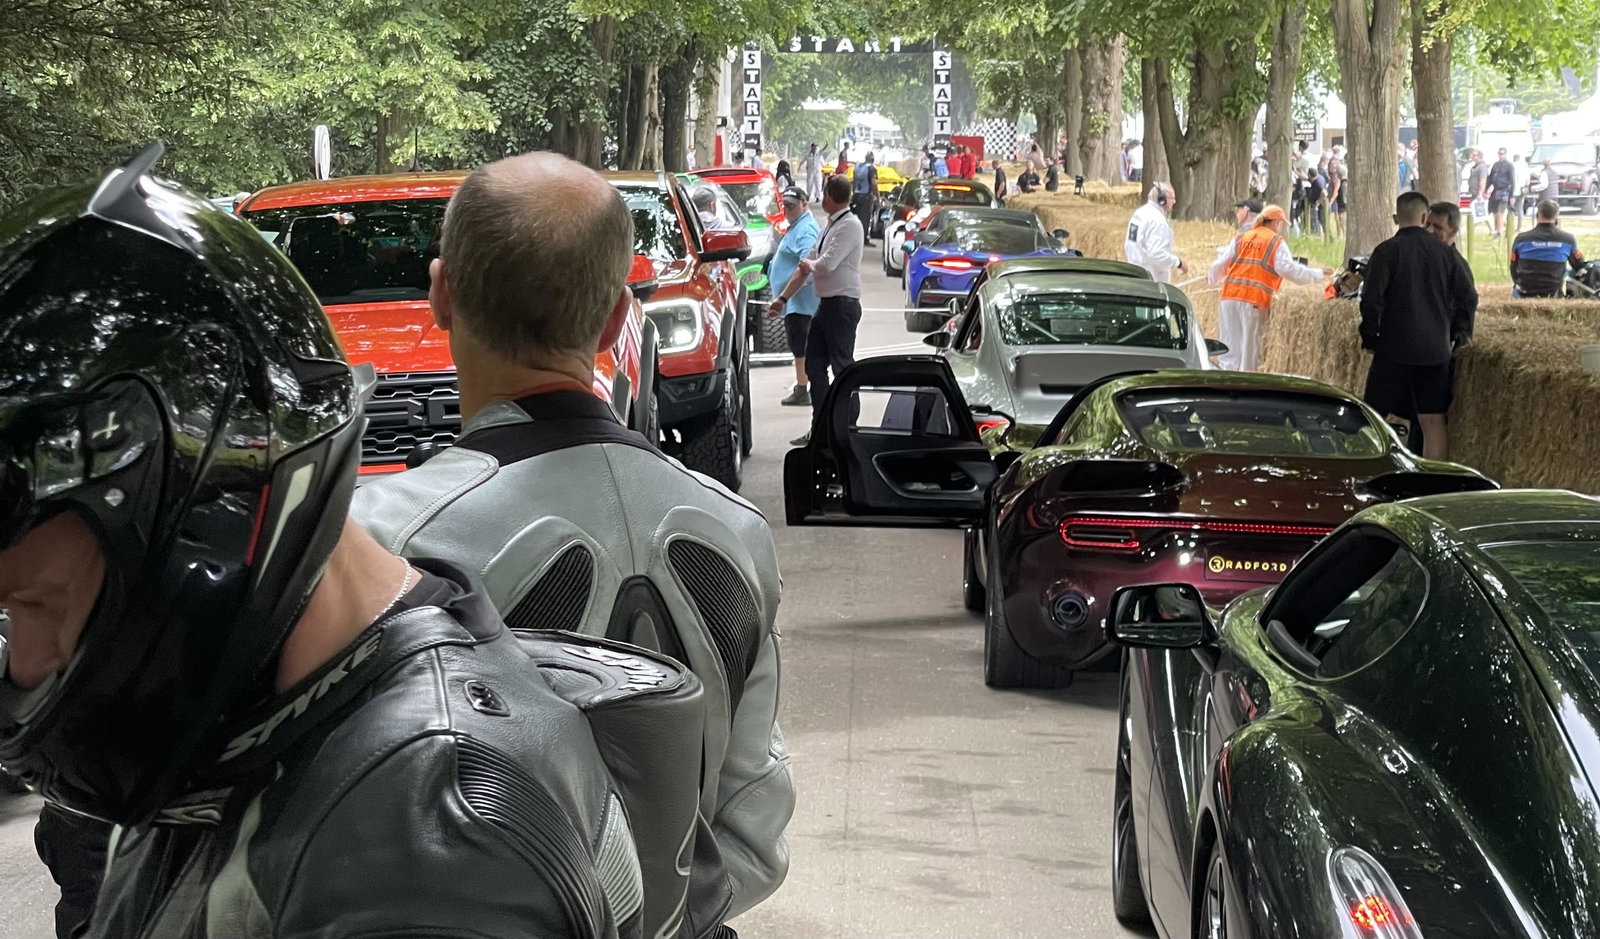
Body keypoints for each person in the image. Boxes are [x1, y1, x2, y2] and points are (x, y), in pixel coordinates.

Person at [1, 148, 693, 939]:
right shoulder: (250, 716)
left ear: (210, 533)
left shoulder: (428, 850)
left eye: (39, 602)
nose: (25, 660)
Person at [354, 152, 795, 929]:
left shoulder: (379, 537)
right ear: (622, 316)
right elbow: (753, 823)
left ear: (441, 294)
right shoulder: (738, 531)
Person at [1359, 190, 1478, 460]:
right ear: (1424, 217)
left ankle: (1370, 469)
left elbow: (1371, 300)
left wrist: (1370, 336)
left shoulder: (1386, 251)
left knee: (1374, 417)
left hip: (1393, 349)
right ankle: (1432, 483)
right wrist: (1460, 335)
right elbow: (1468, 297)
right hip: (1435, 351)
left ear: (1395, 217)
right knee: (1433, 422)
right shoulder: (1447, 255)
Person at [768, 174, 863, 445]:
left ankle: (847, 427)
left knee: (842, 367)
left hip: (842, 305)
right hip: (826, 305)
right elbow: (807, 261)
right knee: (814, 366)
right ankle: (821, 426)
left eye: (825, 193)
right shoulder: (830, 226)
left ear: (831, 197)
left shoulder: (850, 226)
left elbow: (826, 264)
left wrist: (809, 265)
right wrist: (783, 299)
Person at [1208, 205, 1332, 371]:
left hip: (1229, 298)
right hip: (1254, 301)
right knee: (1249, 353)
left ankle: (1225, 387)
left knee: (1229, 350)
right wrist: (1318, 273)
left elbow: (1221, 263)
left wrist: (1211, 278)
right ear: (1276, 223)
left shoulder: (1242, 236)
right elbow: (1289, 269)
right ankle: (1245, 390)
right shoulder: (1275, 242)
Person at [771, 185, 822, 405]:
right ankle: (802, 385)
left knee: (801, 345)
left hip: (801, 301)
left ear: (804, 204)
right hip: (794, 302)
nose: (787, 209)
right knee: (797, 345)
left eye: (792, 205)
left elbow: (807, 267)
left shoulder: (807, 229)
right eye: (785, 205)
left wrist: (785, 296)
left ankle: (805, 387)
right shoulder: (796, 225)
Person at [1510, 199, 1586, 297]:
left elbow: (1513, 267)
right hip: (1553, 293)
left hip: (1524, 293)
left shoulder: (1521, 239)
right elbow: (1579, 265)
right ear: (1556, 217)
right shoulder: (1567, 240)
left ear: (1537, 215)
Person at [1123, 181, 1186, 283]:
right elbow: (1157, 254)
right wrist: (1178, 263)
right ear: (1162, 200)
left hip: (1135, 273)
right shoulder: (1158, 221)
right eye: (1172, 198)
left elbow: (1129, 245)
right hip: (1151, 280)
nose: (1174, 201)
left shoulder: (1139, 213)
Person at [1487, 147, 1515, 237]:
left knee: (1500, 213)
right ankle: (1504, 230)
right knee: (1495, 213)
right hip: (1495, 191)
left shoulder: (1509, 165)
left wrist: (1512, 195)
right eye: (1499, 153)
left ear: (1506, 154)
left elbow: (1513, 180)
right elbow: (1490, 178)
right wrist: (1486, 190)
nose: (1500, 155)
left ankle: (1499, 233)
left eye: (1502, 153)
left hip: (1504, 191)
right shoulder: (1495, 165)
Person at [852, 151, 878, 245]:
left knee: (857, 218)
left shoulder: (857, 167)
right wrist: (877, 197)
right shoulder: (871, 169)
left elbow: (854, 182)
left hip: (856, 195)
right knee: (865, 219)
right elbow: (874, 183)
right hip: (866, 196)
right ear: (872, 160)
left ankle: (856, 238)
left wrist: (853, 193)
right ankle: (863, 240)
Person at [1327, 155, 1346, 239]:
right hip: (1340, 204)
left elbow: (1336, 191)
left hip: (1340, 205)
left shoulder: (1339, 181)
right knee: (1338, 219)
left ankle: (1341, 235)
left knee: (1340, 220)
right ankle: (1340, 235)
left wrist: (1331, 201)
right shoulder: (1334, 177)